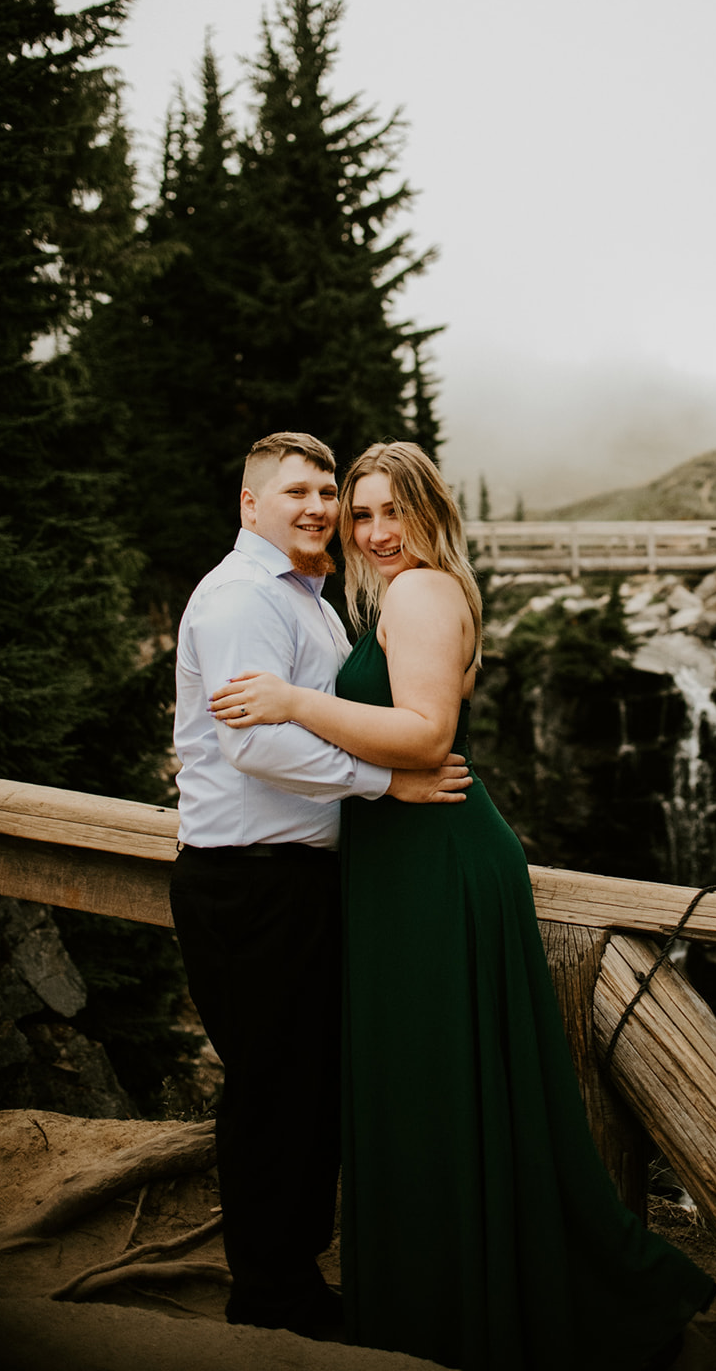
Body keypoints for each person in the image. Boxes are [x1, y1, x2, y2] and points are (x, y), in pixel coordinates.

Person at [210, 440, 716, 1371]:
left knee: (438, 1077)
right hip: (405, 860)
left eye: (386, 510)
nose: (371, 531)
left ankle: (477, 1304)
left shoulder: (420, 591)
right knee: (427, 1081)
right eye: (358, 514)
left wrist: (290, 702)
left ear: (429, 510)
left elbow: (426, 732)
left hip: (435, 859)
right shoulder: (403, 593)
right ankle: (447, 1296)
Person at [170, 431, 471, 1340]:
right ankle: (272, 1297)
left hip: (301, 880)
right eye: (296, 491)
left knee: (306, 1090)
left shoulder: (316, 603)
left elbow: (319, 722)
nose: (320, 508)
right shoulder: (238, 600)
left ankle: (297, 1278)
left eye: (327, 491)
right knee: (272, 1093)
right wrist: (390, 783)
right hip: (251, 884)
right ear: (249, 507)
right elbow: (255, 741)